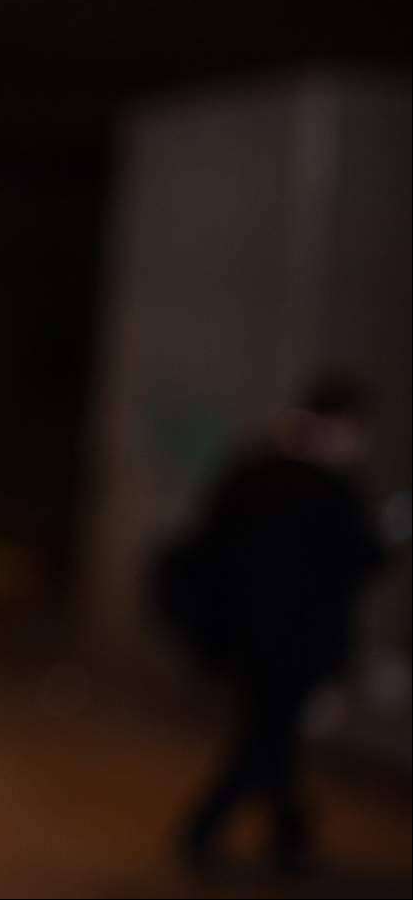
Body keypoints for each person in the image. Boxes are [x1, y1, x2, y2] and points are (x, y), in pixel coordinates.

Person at [171, 373, 387, 876]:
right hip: (290, 644)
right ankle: (208, 832)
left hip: (244, 636)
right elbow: (357, 560)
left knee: (272, 739)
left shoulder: (256, 470)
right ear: (339, 427)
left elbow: (209, 540)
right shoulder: (327, 488)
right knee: (266, 742)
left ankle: (288, 839)